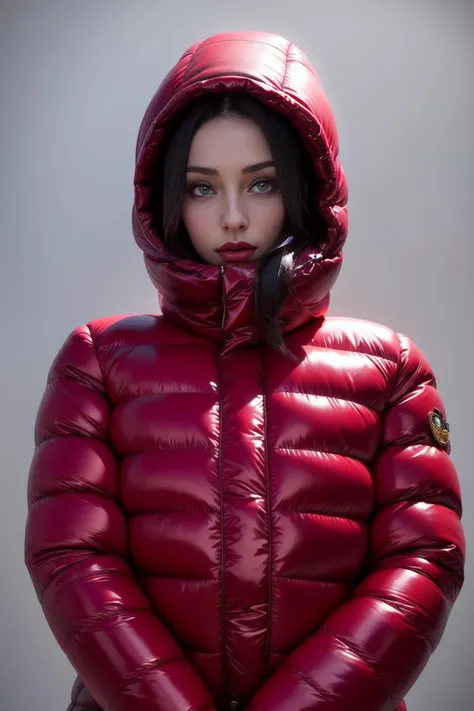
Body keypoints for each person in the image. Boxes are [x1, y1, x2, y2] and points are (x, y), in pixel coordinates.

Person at [24, 30, 465, 711]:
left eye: (261, 183)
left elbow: (422, 561)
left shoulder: (391, 372)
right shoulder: (97, 363)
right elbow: (72, 559)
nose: (233, 217)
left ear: (307, 187)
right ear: (165, 199)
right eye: (202, 189)